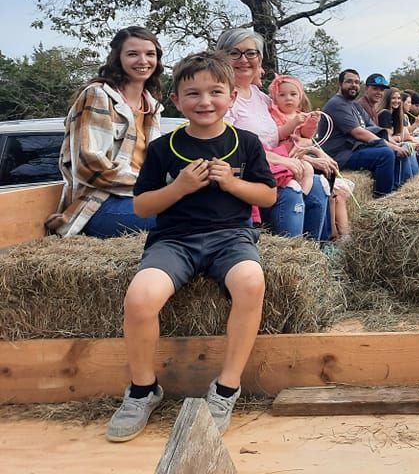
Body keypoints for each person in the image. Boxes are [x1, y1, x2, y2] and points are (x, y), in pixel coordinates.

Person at [106, 51, 277, 442]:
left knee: (251, 283)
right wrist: (179, 187)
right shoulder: (164, 148)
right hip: (175, 240)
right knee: (140, 298)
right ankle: (142, 390)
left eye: (215, 92)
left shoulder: (245, 143)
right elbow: (142, 205)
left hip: (232, 237)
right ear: (176, 101)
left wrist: (233, 184)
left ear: (232, 97)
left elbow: (267, 197)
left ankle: (227, 387)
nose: (205, 102)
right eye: (193, 93)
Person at [47, 26, 165, 238]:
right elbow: (89, 166)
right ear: (117, 58)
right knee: (185, 216)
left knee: (208, 208)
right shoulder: (98, 96)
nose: (143, 60)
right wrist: (149, 184)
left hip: (138, 197)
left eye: (150, 54)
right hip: (98, 205)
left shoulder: (152, 106)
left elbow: (156, 163)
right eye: (132, 54)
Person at [216, 28, 332, 239]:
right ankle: (292, 256)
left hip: (276, 165)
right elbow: (231, 146)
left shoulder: (263, 99)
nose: (244, 60)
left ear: (259, 59)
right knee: (292, 189)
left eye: (251, 53)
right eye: (234, 53)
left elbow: (282, 137)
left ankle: (315, 256)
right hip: (248, 175)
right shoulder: (221, 98)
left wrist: (312, 153)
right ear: (221, 57)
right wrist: (285, 161)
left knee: (319, 184)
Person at [268, 74, 355, 241]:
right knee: (311, 173)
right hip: (285, 155)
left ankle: (339, 234)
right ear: (275, 98)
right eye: (282, 95)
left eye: (293, 95)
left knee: (329, 183)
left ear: (300, 97)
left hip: (299, 155)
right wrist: (293, 124)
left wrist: (312, 122)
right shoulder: (275, 115)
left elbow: (308, 135)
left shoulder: (300, 114)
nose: (288, 98)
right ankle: (305, 199)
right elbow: (278, 135)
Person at [322, 69, 416, 195]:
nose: (353, 85)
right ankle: (383, 198)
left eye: (356, 82)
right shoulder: (337, 104)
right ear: (340, 84)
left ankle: (403, 190)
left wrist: (395, 145)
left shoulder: (354, 105)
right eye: (349, 81)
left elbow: (376, 129)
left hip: (354, 149)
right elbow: (359, 133)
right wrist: (390, 146)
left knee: (398, 149)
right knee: (386, 154)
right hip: (340, 155)